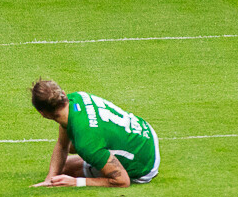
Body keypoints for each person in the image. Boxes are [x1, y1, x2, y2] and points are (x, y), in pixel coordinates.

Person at [28, 80, 160, 188]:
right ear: (63, 94)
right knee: (70, 155)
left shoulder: (86, 141)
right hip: (145, 133)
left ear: (42, 113)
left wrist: (75, 182)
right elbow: (63, 145)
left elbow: (122, 181)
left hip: (146, 164)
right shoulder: (76, 97)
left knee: (70, 166)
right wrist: (50, 179)